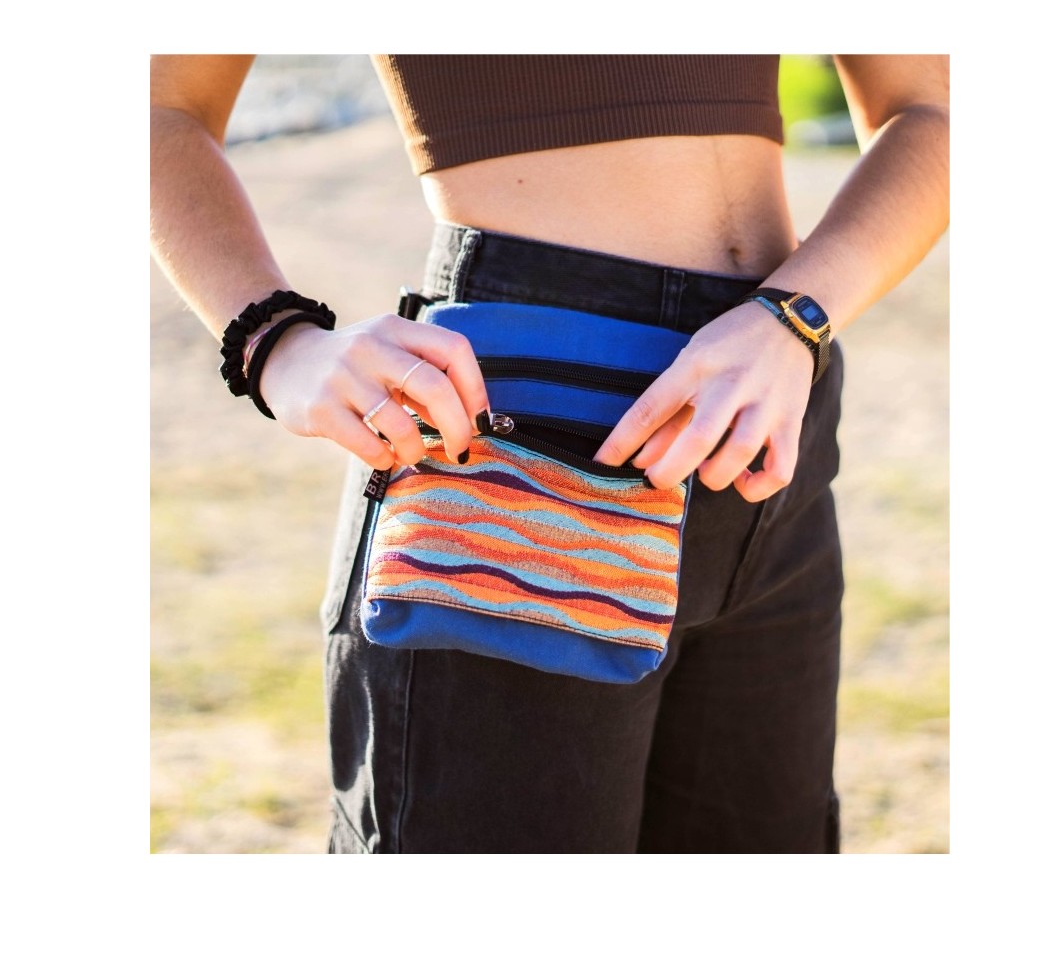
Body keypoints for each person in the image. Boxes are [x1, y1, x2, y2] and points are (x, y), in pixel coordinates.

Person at [150, 54, 949, 854]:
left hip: (769, 412)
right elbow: (158, 105)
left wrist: (795, 317)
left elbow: (932, 111)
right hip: (527, 432)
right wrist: (272, 339)